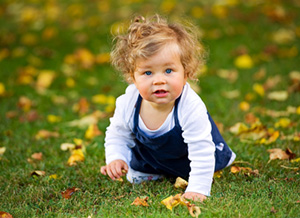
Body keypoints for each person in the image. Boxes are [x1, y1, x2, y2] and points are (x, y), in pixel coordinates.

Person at [100, 14, 236, 202]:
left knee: (201, 164)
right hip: (152, 157)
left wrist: (197, 188)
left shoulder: (190, 106)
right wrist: (116, 158)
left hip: (188, 158)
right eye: (147, 72)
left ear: (186, 72)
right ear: (132, 76)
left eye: (169, 71)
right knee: (136, 174)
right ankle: (152, 169)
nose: (159, 80)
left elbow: (201, 149)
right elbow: (118, 134)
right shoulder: (128, 102)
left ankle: (187, 173)